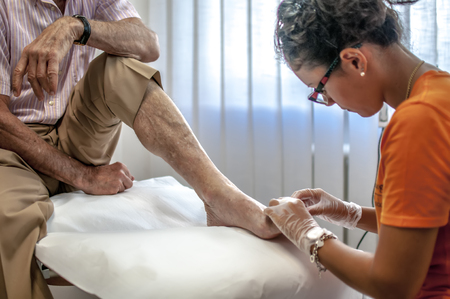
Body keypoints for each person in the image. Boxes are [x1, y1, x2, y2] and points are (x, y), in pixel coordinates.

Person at [0, 1, 280, 298]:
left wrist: (75, 27)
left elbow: (147, 44)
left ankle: (218, 195)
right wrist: (83, 176)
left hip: (74, 130)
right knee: (8, 221)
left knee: (119, 66)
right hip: (13, 143)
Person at [264, 0, 450, 298]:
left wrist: (309, 235)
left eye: (320, 88)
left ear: (355, 61)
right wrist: (345, 212)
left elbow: (392, 284)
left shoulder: (418, 121)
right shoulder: (441, 94)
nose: (329, 102)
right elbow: (425, 225)